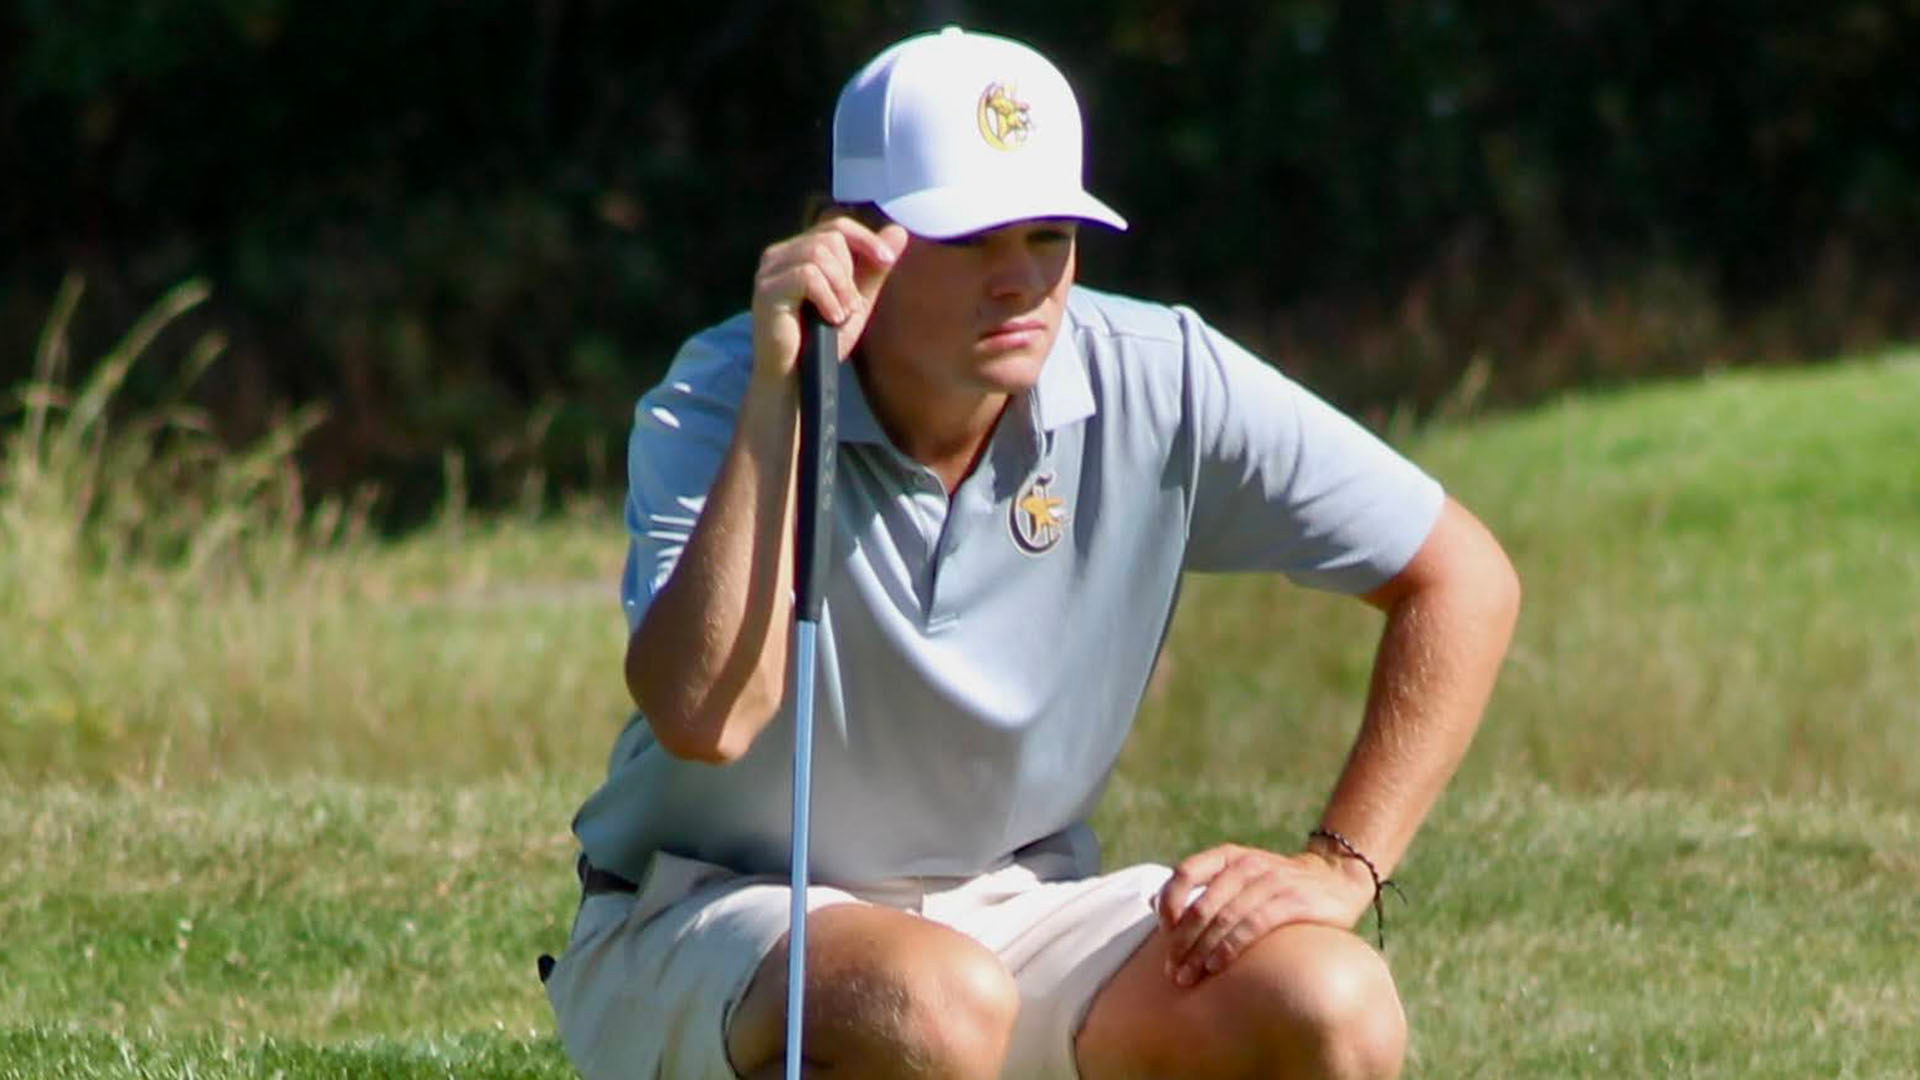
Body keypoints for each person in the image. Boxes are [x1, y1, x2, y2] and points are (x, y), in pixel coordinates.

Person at [543, 25, 1520, 1080]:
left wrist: (1345, 865)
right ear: (848, 241)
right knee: (930, 1005)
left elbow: (1462, 578)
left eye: (1048, 235)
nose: (1021, 280)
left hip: (1019, 908)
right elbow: (705, 715)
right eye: (971, 239)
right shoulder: (730, 393)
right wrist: (782, 399)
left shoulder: (1162, 377)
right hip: (707, 915)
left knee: (1335, 1002)